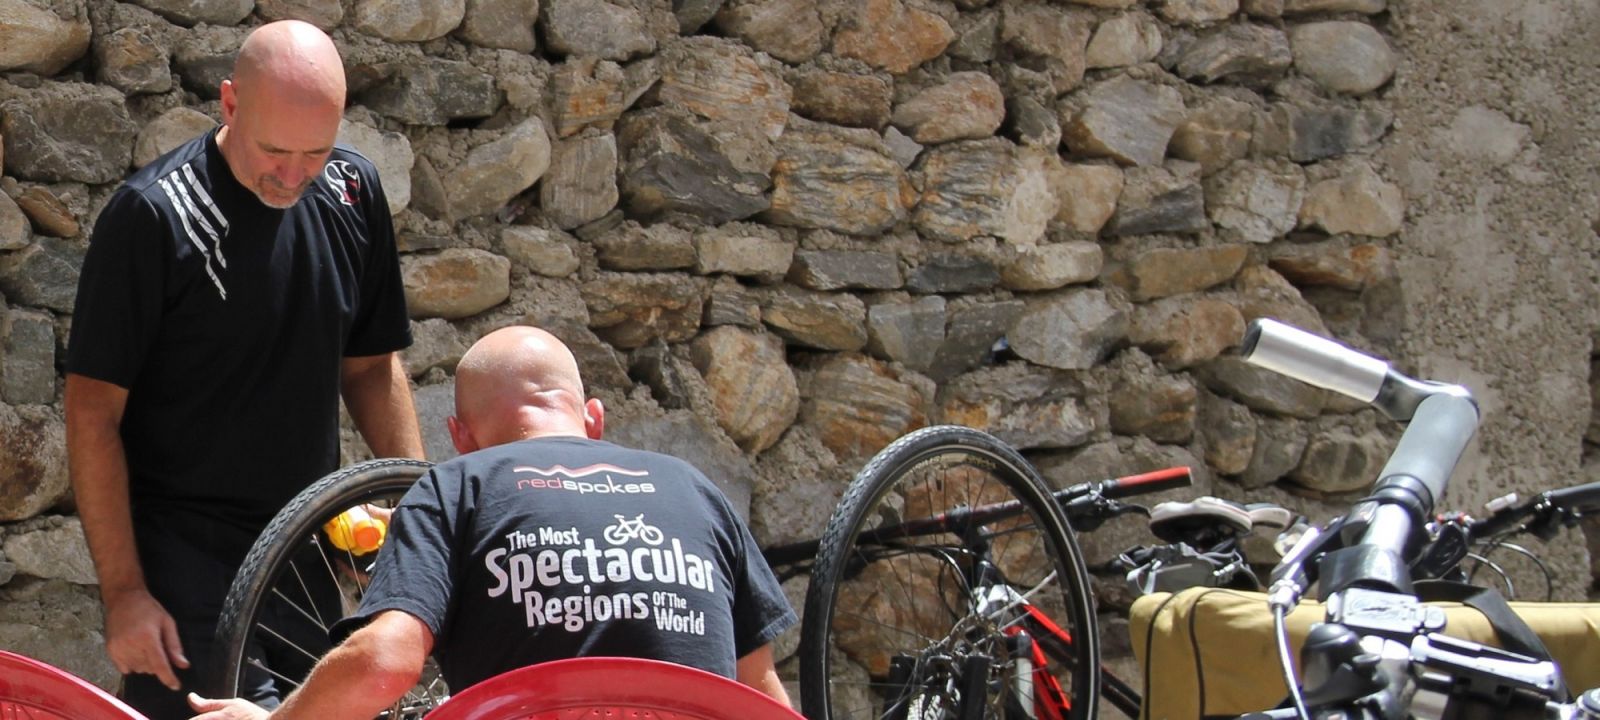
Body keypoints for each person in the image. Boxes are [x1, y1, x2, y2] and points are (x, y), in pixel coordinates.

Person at [64, 19, 424, 720]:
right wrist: (125, 593)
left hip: (307, 552)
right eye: (274, 150)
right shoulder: (152, 217)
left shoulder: (353, 191)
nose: (292, 175)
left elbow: (372, 368)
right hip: (185, 566)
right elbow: (91, 412)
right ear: (229, 103)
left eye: (315, 151)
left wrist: (415, 508)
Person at [186, 326, 796, 719]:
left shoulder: (457, 486)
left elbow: (384, 663)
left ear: (460, 437)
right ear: (593, 418)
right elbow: (760, 692)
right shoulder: (695, 490)